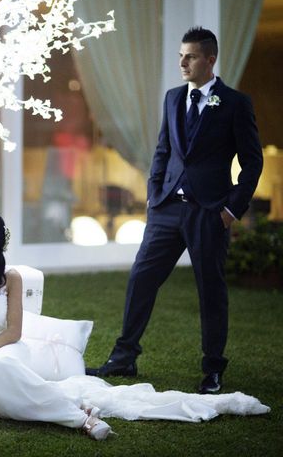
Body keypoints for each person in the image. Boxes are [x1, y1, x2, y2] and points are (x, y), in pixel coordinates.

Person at [0, 210, 269, 440]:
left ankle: (77, 419)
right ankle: (78, 414)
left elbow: (14, 333)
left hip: (6, 352)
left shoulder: (12, 277)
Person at [86, 27, 264, 395]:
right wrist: (154, 194)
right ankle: (124, 358)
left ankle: (213, 370)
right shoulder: (172, 98)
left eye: (191, 56)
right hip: (166, 209)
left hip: (210, 212)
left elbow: (252, 162)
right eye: (181, 56)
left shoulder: (234, 103)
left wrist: (232, 209)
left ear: (210, 60)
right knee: (141, 280)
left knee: (210, 291)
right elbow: (163, 150)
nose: (182, 62)